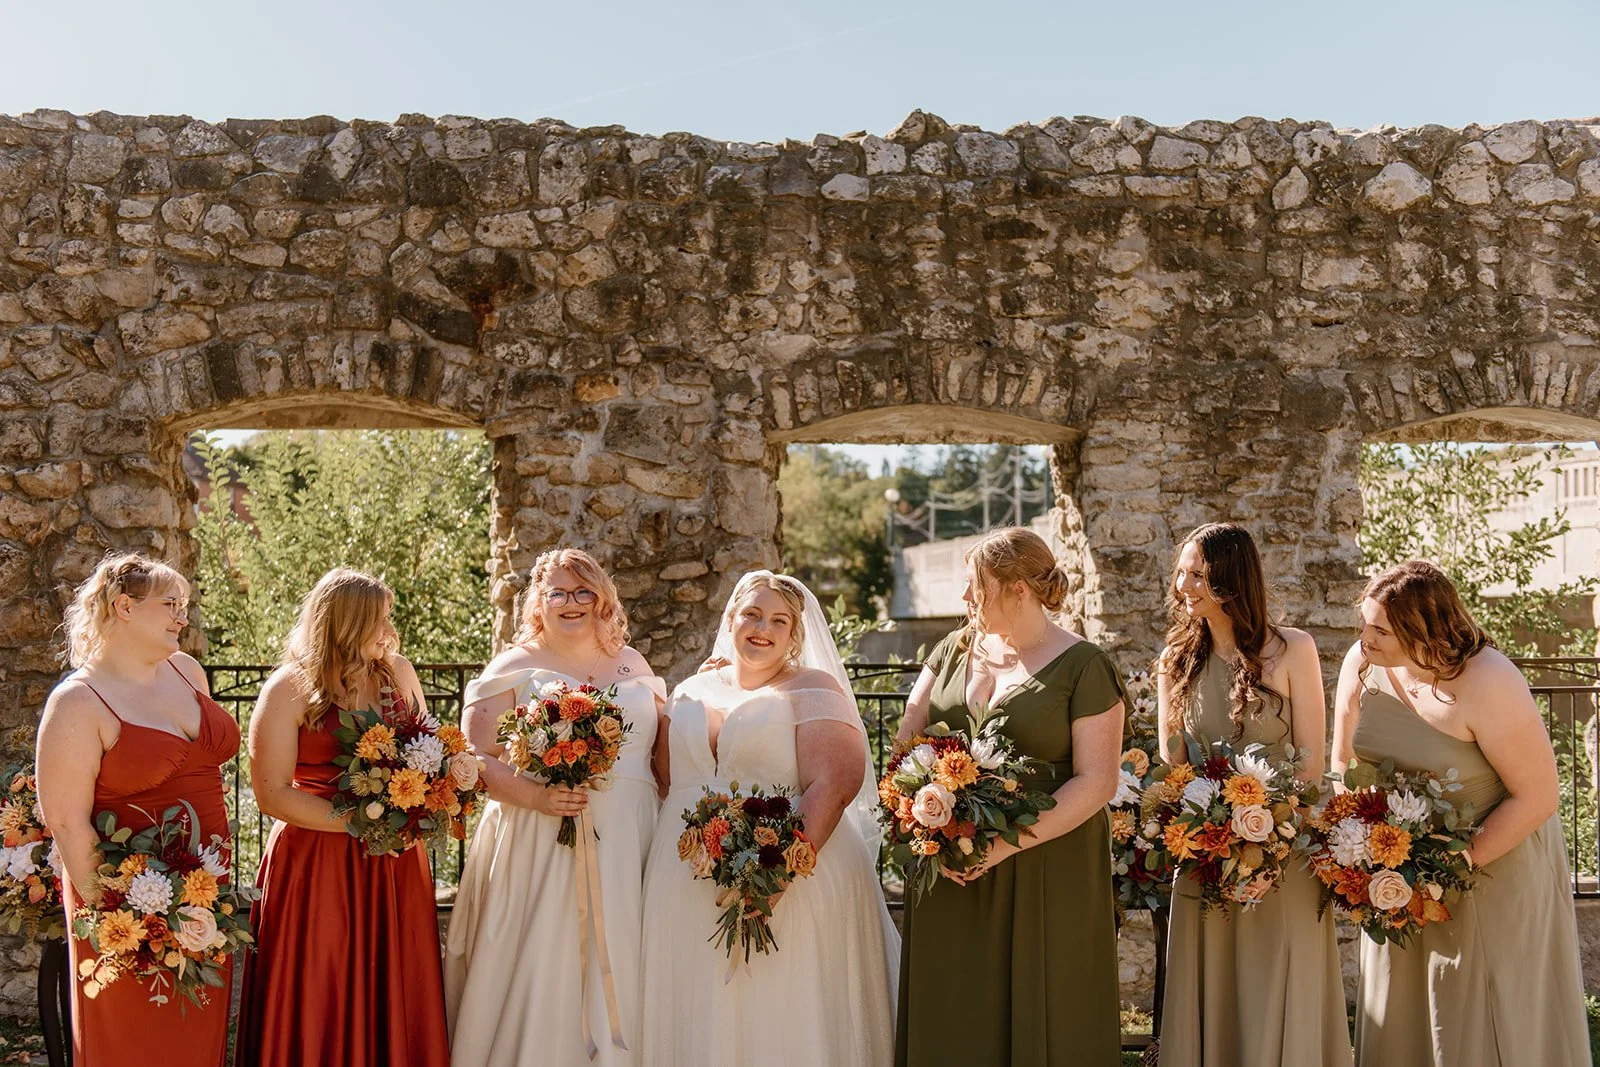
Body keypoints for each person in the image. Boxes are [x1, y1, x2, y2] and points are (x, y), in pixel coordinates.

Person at [1334, 559, 1589, 1066]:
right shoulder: (1363, 664)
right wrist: (1364, 852)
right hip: (1394, 869)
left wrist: (1448, 866)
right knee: (1398, 997)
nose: (1366, 638)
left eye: (1381, 629)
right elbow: (1344, 764)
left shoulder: (1489, 679)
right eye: (1363, 623)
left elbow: (1538, 795)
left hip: (1495, 863)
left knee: (1480, 1007)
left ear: (1422, 631)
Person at [640, 571, 898, 1067]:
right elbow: (665, 776)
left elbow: (835, 784)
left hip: (789, 873)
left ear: (795, 634)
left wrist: (776, 875)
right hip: (686, 878)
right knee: (696, 1002)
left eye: (779, 620)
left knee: (777, 1008)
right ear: (731, 619)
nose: (763, 628)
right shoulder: (692, 687)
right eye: (753, 614)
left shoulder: (812, 687)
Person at [893, 527, 1125, 1067]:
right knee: (952, 1003)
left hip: (1047, 861)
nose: (966, 599)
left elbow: (1097, 782)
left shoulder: (1085, 665)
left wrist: (1004, 845)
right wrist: (925, 828)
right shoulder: (952, 649)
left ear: (1019, 589)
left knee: (1044, 1005)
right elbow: (907, 744)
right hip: (948, 862)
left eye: (976, 586)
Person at [445, 548, 662, 1066]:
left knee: (626, 954)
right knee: (549, 960)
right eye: (558, 593)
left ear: (602, 598)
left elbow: (662, 751)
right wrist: (538, 796)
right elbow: (471, 759)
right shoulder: (514, 666)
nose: (571, 602)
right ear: (538, 604)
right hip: (540, 836)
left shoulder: (632, 662)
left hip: (629, 836)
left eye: (583, 591)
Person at [233, 568, 450, 1067]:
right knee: (319, 982)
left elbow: (425, 753)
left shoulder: (398, 673)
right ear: (347, 622)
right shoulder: (289, 687)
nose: (388, 628)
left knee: (391, 983)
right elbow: (271, 794)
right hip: (316, 861)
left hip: (393, 863)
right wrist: (365, 823)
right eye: (379, 618)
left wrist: (419, 804)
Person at [1155, 523, 1351, 1067]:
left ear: (1231, 580)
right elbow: (1173, 768)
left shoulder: (1293, 649)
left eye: (1197, 574)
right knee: (1209, 988)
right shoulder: (1174, 661)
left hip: (1282, 861)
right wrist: (1205, 837)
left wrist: (1271, 850)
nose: (1182, 584)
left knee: (1277, 987)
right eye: (1181, 571)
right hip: (1204, 857)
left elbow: (1311, 761)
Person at [36, 553, 239, 1067]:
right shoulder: (78, 702)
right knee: (132, 1039)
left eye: (185, 605)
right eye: (170, 604)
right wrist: (126, 923)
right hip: (128, 908)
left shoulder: (187, 671)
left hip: (208, 896)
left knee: (197, 1033)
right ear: (124, 607)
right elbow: (65, 821)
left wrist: (196, 906)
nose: (182, 616)